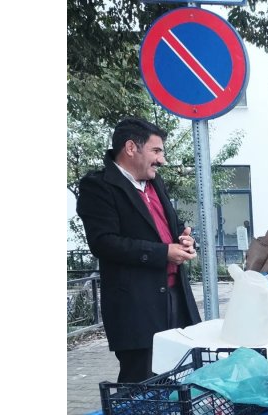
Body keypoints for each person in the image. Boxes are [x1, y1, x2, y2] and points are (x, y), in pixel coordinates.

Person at [77, 117, 202, 383]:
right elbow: (104, 242)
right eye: (156, 151)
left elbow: (169, 226)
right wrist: (163, 253)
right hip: (136, 306)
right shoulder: (98, 187)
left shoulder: (155, 182)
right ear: (131, 148)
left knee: (180, 378)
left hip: (175, 297)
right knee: (142, 385)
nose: (162, 160)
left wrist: (184, 240)